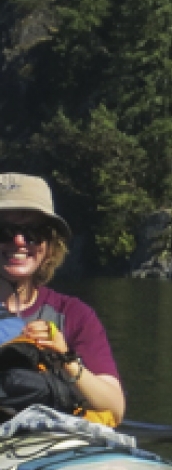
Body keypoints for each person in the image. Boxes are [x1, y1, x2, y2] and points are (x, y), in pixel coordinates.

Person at [0, 173, 125, 423]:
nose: (19, 241)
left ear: (49, 244)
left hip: (53, 448)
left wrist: (66, 358)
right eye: (4, 230)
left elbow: (115, 408)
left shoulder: (74, 315)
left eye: (35, 232)